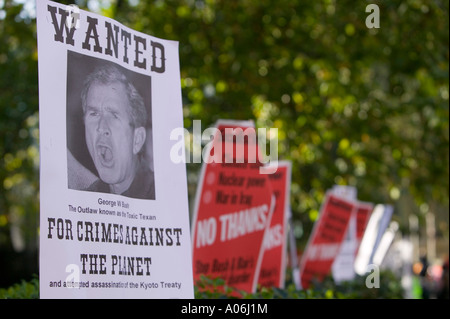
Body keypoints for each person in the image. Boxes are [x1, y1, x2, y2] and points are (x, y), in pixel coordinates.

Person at [79, 63, 155, 200]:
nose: (101, 127)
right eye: (94, 113)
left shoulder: (160, 197)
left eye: (114, 115)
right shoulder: (84, 200)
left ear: (137, 140)